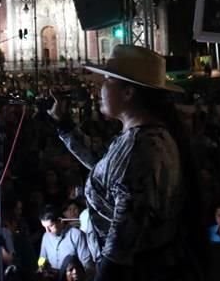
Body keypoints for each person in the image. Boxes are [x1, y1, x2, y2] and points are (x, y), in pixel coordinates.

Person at [48, 45, 204, 281]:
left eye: (108, 80)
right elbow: (104, 164)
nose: (100, 87)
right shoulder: (143, 137)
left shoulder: (142, 148)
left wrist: (106, 274)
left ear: (128, 93)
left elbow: (123, 239)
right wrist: (64, 124)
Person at [37, 206, 93, 276]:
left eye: (50, 226)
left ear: (60, 221)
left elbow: (87, 263)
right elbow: (42, 257)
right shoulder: (46, 236)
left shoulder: (76, 235)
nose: (47, 231)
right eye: (44, 227)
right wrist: (41, 266)